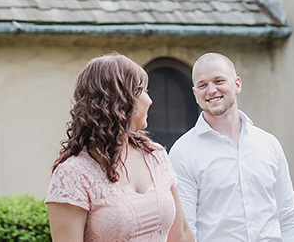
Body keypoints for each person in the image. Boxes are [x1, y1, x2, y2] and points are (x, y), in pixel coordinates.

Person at [46, 53, 195, 242]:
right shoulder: (73, 174)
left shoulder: (155, 156)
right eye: (143, 90)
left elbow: (181, 233)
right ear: (120, 100)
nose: (150, 100)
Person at [169, 52, 294, 242]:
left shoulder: (268, 144)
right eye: (203, 85)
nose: (211, 90)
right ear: (195, 94)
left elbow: (289, 216)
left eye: (218, 81)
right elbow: (185, 230)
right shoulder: (182, 153)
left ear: (237, 85)